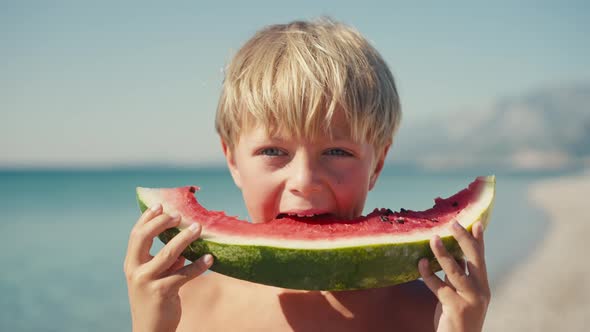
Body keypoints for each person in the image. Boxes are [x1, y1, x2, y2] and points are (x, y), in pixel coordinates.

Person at [124, 18, 491, 332]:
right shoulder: (183, 309)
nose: (304, 180)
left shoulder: (430, 312)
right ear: (232, 160)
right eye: (273, 151)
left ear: (377, 163)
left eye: (337, 152)